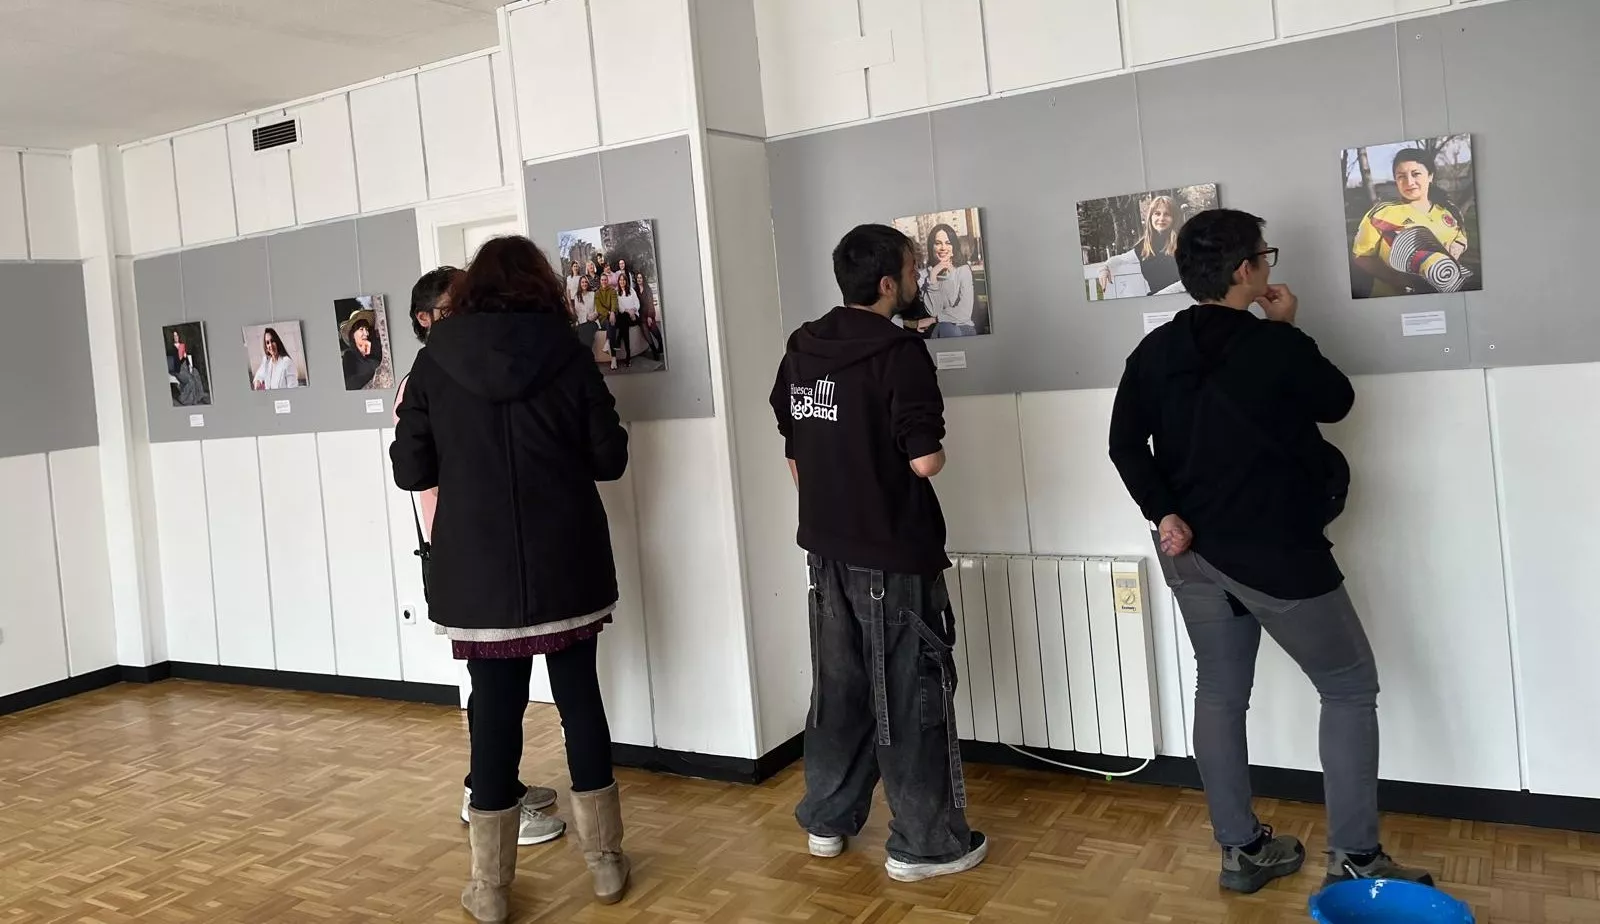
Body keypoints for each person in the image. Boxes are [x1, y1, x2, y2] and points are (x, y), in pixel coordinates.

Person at [1107, 208, 1433, 895]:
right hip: (1273, 552)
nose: (1268, 266)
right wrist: (1286, 330)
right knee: (1348, 685)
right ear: (1244, 272)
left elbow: (1123, 445)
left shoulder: (1154, 352)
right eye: (1265, 256)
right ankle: (1356, 857)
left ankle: (1242, 852)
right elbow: (1336, 400)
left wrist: (1163, 511)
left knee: (1220, 692)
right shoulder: (1272, 345)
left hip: (1188, 551)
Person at [392, 236, 632, 921]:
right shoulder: (567, 349)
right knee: (580, 699)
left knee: (493, 716)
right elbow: (608, 458)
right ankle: (605, 862)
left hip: (476, 570)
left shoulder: (435, 360)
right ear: (540, 287)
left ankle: (492, 889)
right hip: (567, 560)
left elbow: (412, 472)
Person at [769, 223, 986, 884]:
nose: (919, 276)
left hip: (826, 551)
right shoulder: (898, 354)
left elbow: (795, 453)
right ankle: (926, 843)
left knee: (841, 691)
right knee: (911, 694)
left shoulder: (803, 347)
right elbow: (925, 461)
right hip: (893, 550)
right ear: (890, 282)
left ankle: (828, 822)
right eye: (914, 267)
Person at [397, 267, 565, 849]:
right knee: (493, 686)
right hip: (460, 548)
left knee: (501, 684)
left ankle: (501, 785)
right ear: (427, 320)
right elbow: (414, 469)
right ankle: (484, 796)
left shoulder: (464, 364)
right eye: (454, 304)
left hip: (483, 543)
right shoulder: (428, 374)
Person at [1351, 148, 1471, 297]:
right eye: (1401, 176)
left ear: (1430, 176)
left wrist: (1458, 246)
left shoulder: (1448, 211)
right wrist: (1398, 280)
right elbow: (1361, 256)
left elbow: (1460, 234)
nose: (1409, 182)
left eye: (1416, 174)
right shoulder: (1381, 214)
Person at [1097, 194, 1186, 297]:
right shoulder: (1145, 246)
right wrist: (1104, 268)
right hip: (1158, 304)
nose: (1161, 218)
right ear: (1150, 217)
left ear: (1174, 218)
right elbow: (1120, 259)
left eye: (1167, 214)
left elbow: (1189, 281)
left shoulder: (1184, 242)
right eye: (1157, 213)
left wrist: (1158, 296)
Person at [918, 224, 977, 337]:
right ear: (932, 247)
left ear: (954, 247)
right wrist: (933, 276)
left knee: (946, 328)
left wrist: (933, 320)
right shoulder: (924, 276)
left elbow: (965, 312)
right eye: (938, 243)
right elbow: (934, 311)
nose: (943, 248)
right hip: (940, 330)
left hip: (963, 328)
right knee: (944, 327)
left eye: (948, 243)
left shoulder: (963, 271)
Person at [339, 308, 385, 390]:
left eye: (366, 329)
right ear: (353, 334)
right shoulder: (349, 356)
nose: (366, 333)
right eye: (361, 329)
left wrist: (374, 349)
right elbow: (349, 384)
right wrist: (375, 372)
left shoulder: (376, 349)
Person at [167, 328, 209, 406]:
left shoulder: (182, 345)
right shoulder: (171, 348)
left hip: (185, 367)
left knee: (195, 372)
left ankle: (199, 395)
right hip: (178, 370)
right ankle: (184, 398)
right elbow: (177, 360)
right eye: (174, 336)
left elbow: (185, 358)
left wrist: (189, 366)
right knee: (191, 380)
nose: (176, 337)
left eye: (177, 335)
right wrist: (179, 351)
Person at [609, 271, 639, 369]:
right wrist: (628, 311)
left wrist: (633, 311)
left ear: (626, 281)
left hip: (634, 316)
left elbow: (637, 303)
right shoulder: (617, 292)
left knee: (623, 321)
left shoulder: (631, 290)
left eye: (624, 280)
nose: (622, 282)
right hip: (625, 317)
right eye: (620, 280)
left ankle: (618, 341)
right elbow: (620, 308)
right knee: (624, 320)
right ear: (618, 281)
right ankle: (628, 355)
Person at [635, 271, 663, 361]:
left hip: (649, 313)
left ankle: (661, 344)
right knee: (646, 332)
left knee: (655, 331)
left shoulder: (647, 289)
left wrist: (650, 316)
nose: (639, 279)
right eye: (638, 278)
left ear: (643, 279)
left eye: (640, 278)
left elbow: (651, 303)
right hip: (641, 316)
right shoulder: (635, 290)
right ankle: (654, 351)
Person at [593, 272, 619, 360]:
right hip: (603, 319)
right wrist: (609, 313)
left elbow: (614, 303)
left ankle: (608, 342)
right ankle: (614, 359)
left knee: (611, 323)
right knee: (610, 323)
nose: (604, 281)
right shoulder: (597, 293)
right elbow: (599, 308)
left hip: (613, 316)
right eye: (602, 280)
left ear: (607, 281)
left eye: (605, 280)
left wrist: (612, 312)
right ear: (600, 281)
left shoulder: (612, 290)